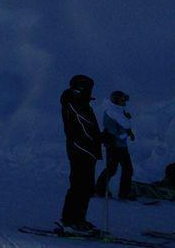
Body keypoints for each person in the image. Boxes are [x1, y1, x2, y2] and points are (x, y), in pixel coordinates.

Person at [59, 74, 103, 236]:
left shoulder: (80, 103)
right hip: (80, 149)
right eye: (88, 87)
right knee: (80, 186)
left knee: (85, 186)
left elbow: (88, 127)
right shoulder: (74, 102)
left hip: (86, 149)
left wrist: (100, 137)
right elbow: (84, 126)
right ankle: (71, 221)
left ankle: (77, 219)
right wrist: (100, 137)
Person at [95, 90, 136, 200]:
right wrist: (125, 134)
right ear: (116, 101)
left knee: (126, 169)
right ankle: (100, 189)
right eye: (122, 100)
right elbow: (114, 131)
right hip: (113, 146)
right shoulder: (110, 112)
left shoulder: (119, 111)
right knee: (112, 169)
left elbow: (123, 127)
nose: (124, 102)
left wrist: (129, 132)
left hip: (121, 146)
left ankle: (124, 193)